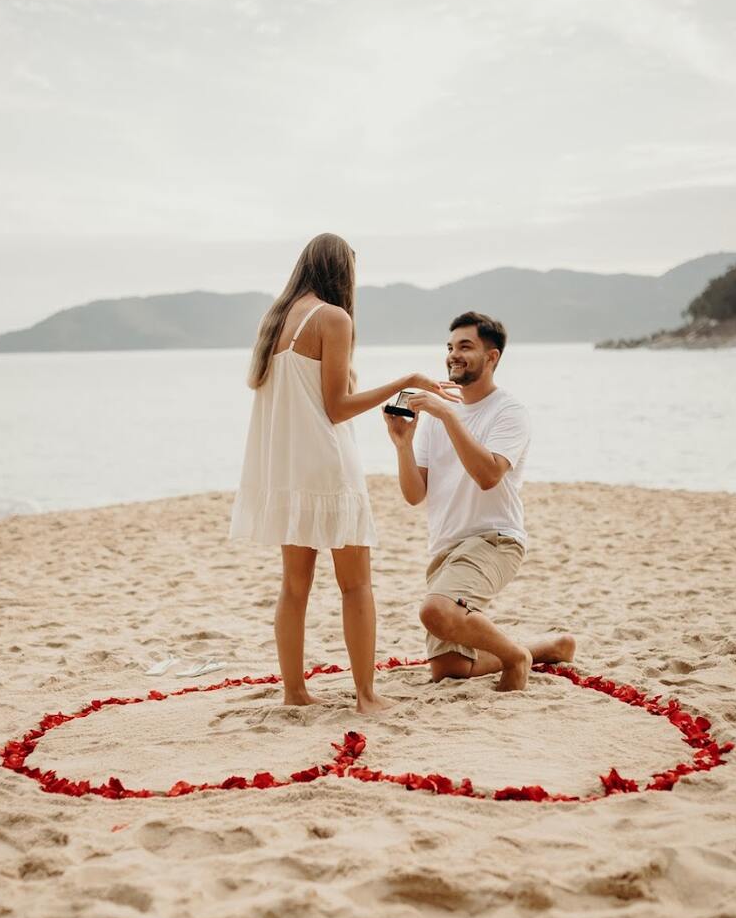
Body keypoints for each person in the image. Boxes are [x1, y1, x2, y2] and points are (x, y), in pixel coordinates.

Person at [230, 233, 458, 714]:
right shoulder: (334, 318)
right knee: (356, 586)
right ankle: (367, 696)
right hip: (329, 468)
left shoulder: (275, 321)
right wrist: (407, 381)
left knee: (294, 587)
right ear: (341, 271)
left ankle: (294, 692)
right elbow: (335, 409)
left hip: (289, 469)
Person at [384, 310, 575, 690]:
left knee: (435, 610)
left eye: (465, 347)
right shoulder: (438, 414)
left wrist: (448, 415)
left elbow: (488, 475)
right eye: (450, 347)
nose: (453, 354)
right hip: (446, 546)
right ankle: (549, 647)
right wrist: (403, 444)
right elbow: (413, 494)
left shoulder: (509, 412)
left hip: (495, 538)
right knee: (450, 668)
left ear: (492, 357)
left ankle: (514, 657)